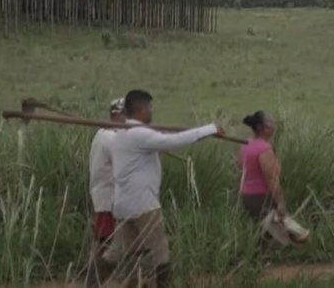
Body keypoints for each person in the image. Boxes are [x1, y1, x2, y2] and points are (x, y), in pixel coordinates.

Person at [101, 90, 222, 288]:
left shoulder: (121, 134)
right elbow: (175, 141)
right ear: (141, 110)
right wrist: (210, 129)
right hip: (143, 204)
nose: (151, 111)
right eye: (149, 108)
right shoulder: (139, 134)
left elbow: (155, 144)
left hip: (123, 204)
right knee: (160, 250)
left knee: (116, 252)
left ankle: (89, 282)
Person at [85, 97, 125, 287]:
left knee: (103, 243)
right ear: (118, 115)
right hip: (108, 199)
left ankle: (92, 280)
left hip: (105, 198)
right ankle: (92, 282)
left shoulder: (103, 134)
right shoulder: (110, 138)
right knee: (106, 244)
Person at [238, 111, 287, 224]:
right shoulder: (264, 149)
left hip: (246, 196)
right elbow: (271, 178)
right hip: (262, 198)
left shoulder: (246, 144)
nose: (274, 127)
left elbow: (240, 165)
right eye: (271, 124)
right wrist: (280, 202)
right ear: (264, 128)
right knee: (275, 232)